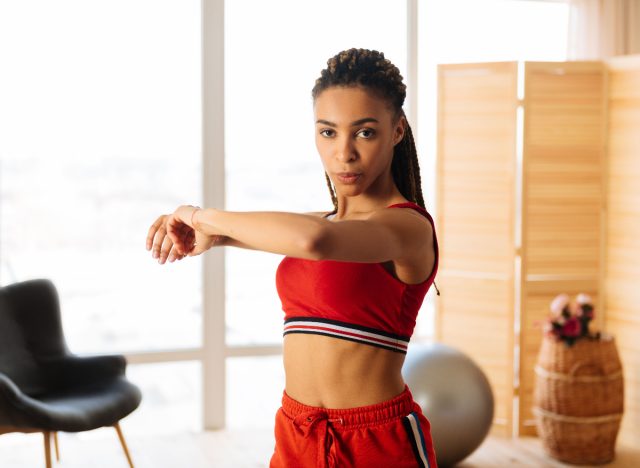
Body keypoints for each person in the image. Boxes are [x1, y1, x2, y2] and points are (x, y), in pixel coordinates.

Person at [146, 48, 440, 468]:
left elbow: (315, 242)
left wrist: (197, 214)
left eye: (365, 132)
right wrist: (215, 237)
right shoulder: (329, 222)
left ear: (397, 130)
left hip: (375, 440)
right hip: (297, 430)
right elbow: (308, 232)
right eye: (328, 132)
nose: (344, 153)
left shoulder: (408, 228)